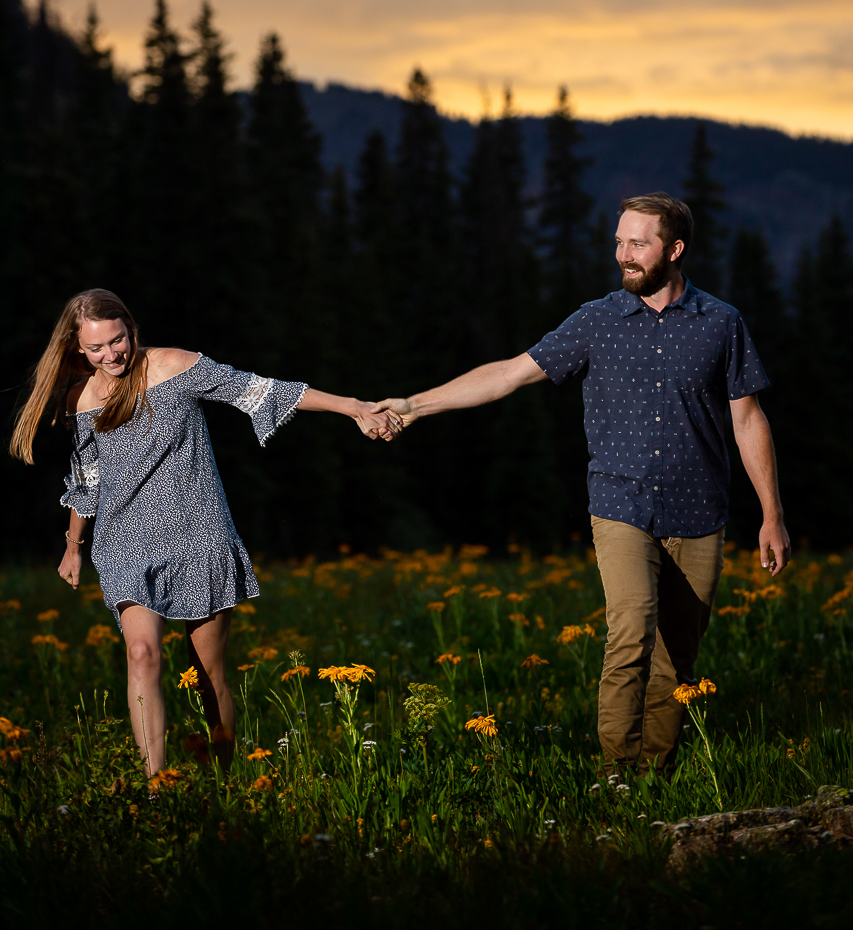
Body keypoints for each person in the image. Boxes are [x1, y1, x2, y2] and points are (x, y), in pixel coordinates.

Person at [373, 192, 790, 776]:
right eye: (618, 241)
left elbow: (747, 420)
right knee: (631, 634)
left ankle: (656, 782)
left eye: (637, 243)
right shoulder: (596, 321)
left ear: (674, 250)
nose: (623, 254)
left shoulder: (721, 323)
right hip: (620, 504)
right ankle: (619, 775)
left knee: (678, 660)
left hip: (701, 512)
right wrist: (415, 406)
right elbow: (507, 375)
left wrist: (771, 515)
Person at [11, 288, 400, 776]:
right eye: (97, 348)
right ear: (77, 349)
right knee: (141, 653)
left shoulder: (176, 365)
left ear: (130, 329)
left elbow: (261, 390)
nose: (112, 354)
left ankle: (222, 781)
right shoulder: (79, 398)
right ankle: (156, 790)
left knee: (207, 673)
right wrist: (73, 546)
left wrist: (353, 407)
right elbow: (88, 478)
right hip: (125, 538)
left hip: (199, 531)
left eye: (118, 340)